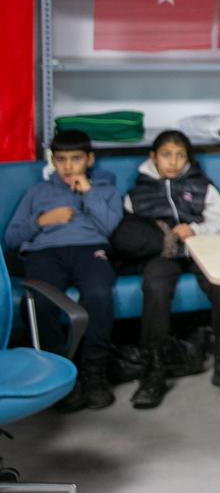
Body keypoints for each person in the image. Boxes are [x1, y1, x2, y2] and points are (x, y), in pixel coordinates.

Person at [117, 129, 220, 408]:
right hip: (162, 255)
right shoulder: (137, 194)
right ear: (153, 157)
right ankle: (154, 371)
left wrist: (195, 230)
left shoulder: (203, 186)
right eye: (166, 155)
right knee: (154, 284)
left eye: (180, 156)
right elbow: (130, 232)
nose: (173, 162)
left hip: (200, 249)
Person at [4, 129, 121, 411]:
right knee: (40, 301)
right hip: (46, 253)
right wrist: (42, 220)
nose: (68, 167)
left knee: (98, 294)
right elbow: (11, 238)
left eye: (76, 159)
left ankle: (94, 373)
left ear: (89, 160)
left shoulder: (106, 190)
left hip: (90, 249)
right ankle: (58, 373)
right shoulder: (38, 192)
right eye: (61, 159)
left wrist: (89, 194)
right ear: (53, 161)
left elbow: (112, 229)